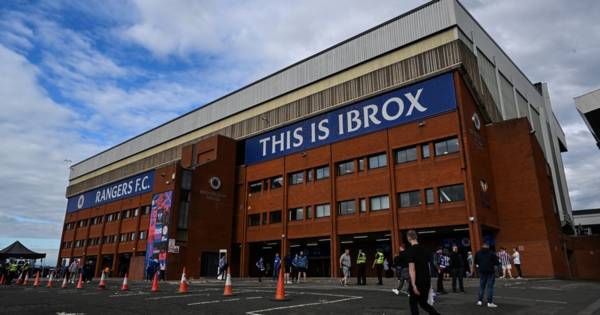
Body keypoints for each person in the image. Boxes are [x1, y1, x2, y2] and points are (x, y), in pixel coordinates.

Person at [405, 230, 441, 315]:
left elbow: (412, 269)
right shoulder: (426, 250)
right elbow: (428, 266)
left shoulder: (410, 251)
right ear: (416, 237)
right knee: (423, 303)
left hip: (417, 280)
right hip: (426, 280)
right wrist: (429, 281)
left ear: (408, 238)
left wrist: (413, 285)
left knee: (413, 303)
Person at [475, 243, 500, 308]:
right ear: (488, 247)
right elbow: (497, 262)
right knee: (490, 287)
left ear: (482, 246)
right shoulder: (491, 253)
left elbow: (476, 262)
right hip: (490, 271)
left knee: (482, 286)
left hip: (482, 271)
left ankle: (480, 301)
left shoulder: (478, 253)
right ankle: (489, 302)